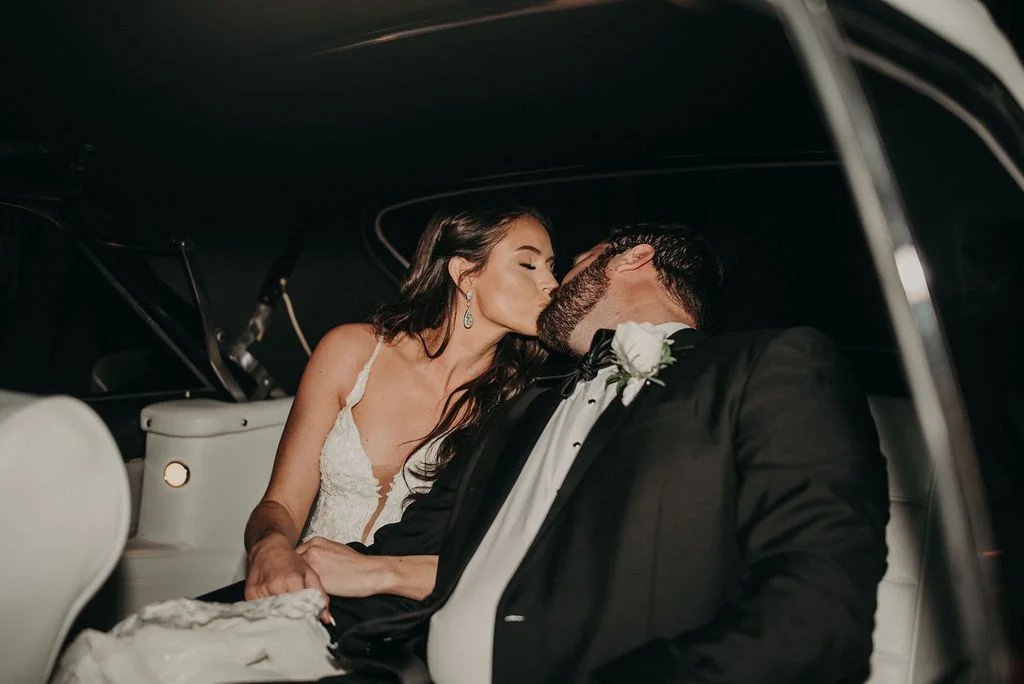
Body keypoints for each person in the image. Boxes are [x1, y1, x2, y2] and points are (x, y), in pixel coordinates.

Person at [324, 222, 890, 684]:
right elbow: (397, 556)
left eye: (574, 263)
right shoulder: (516, 411)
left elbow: (816, 607)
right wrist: (288, 611)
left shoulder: (767, 366)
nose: (553, 285)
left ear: (632, 258)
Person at [53, 202, 558, 684]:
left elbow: (505, 562)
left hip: (408, 622)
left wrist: (375, 573)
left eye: (552, 268)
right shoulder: (352, 351)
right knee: (138, 659)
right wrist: (272, 548)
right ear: (464, 274)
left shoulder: (519, 406)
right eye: (528, 264)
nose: (551, 284)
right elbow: (279, 505)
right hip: (302, 594)